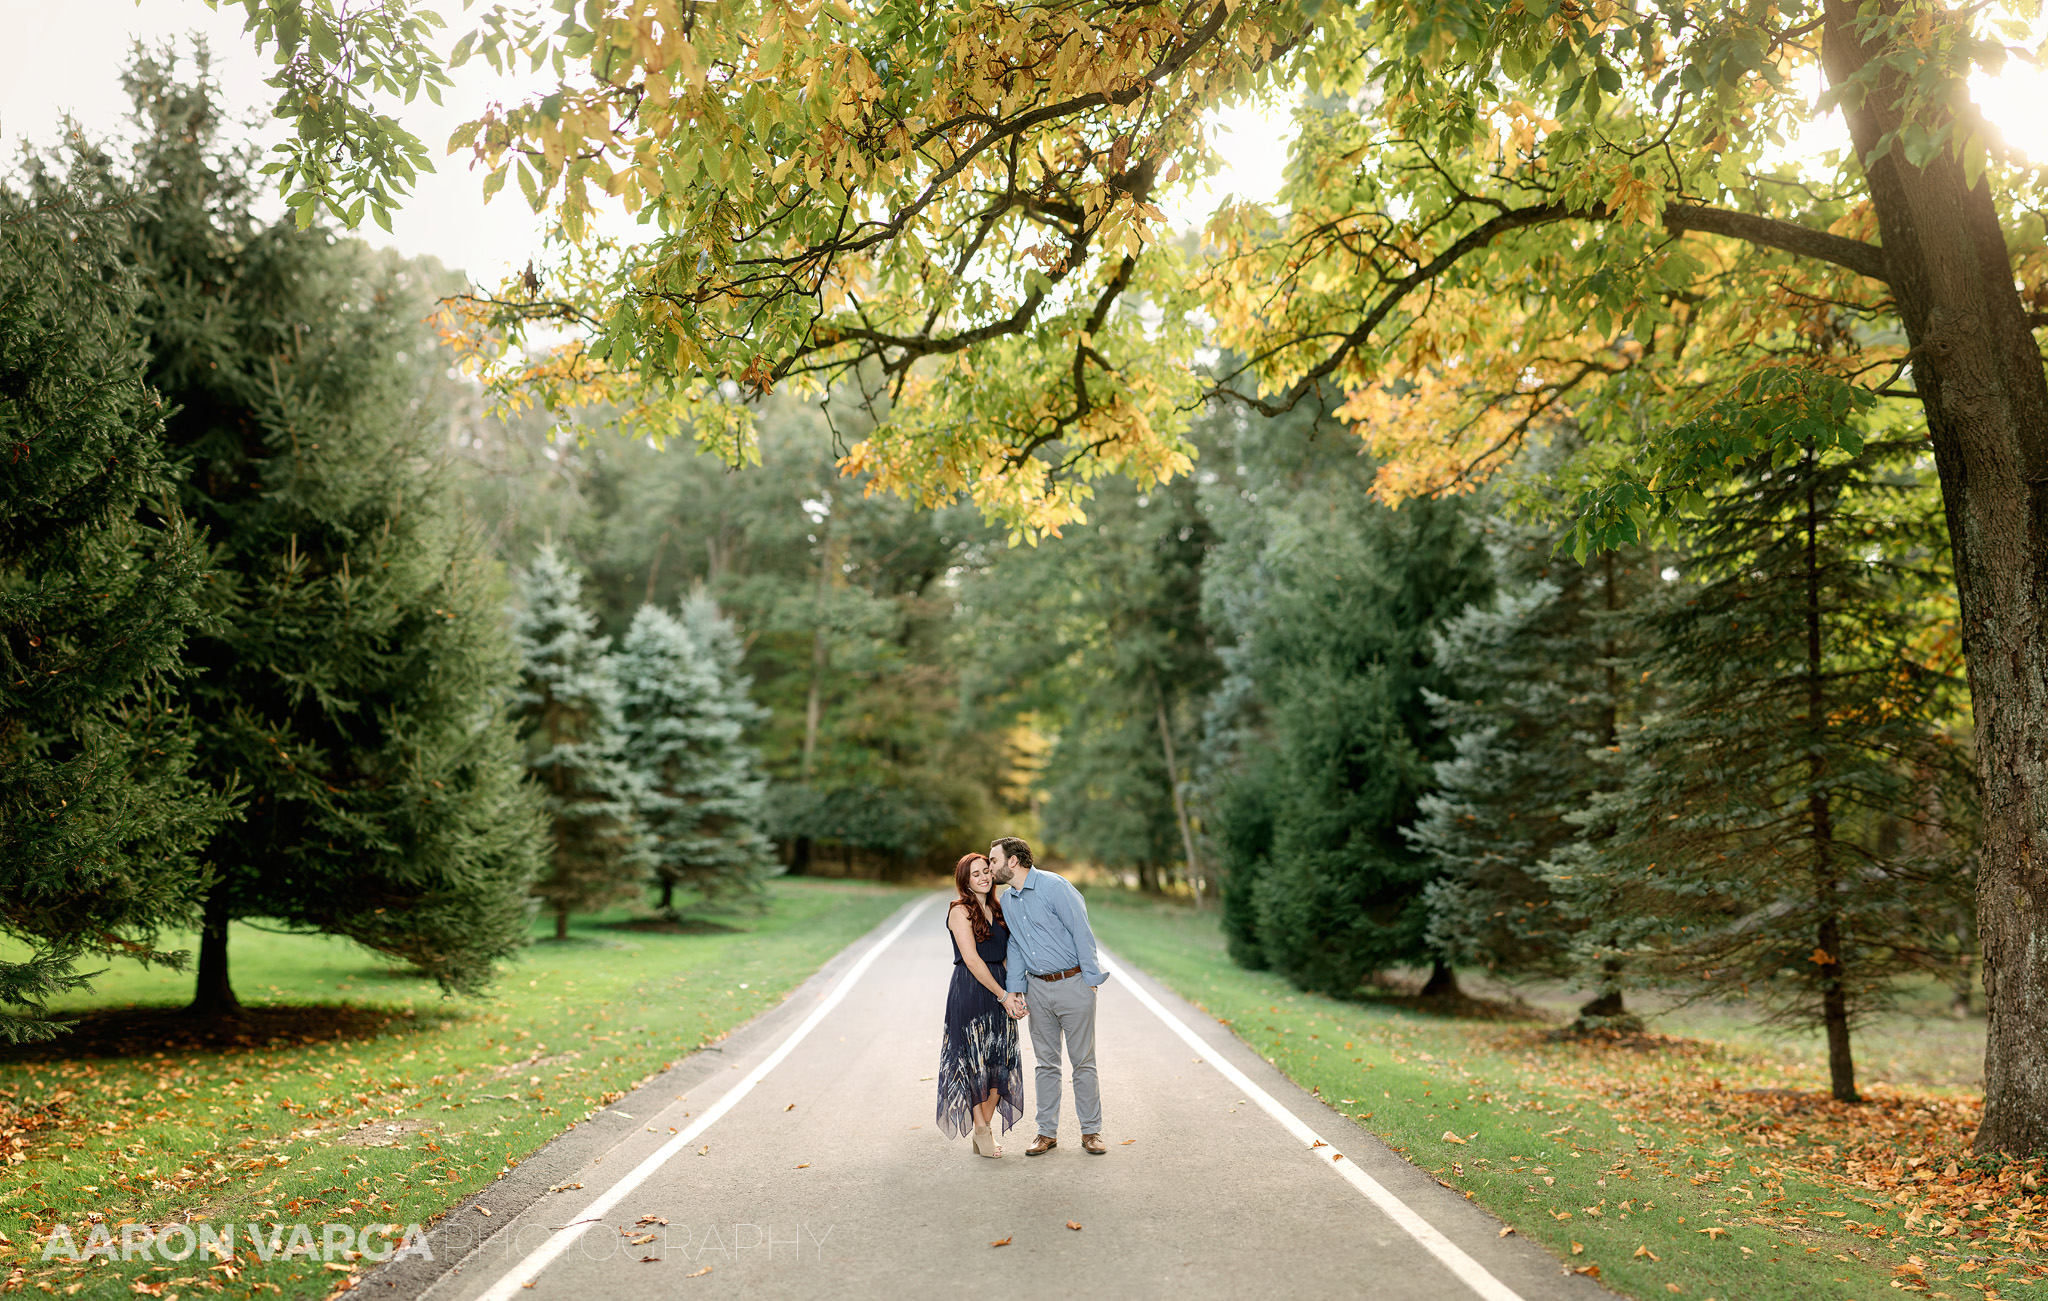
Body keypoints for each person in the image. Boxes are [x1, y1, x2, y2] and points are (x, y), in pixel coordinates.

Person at [988, 836, 1108, 1156]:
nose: (991, 867)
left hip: (1073, 984)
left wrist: (1090, 980)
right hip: (1037, 988)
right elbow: (1015, 946)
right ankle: (1046, 1133)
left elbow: (1081, 930)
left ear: (1013, 861)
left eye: (994, 860)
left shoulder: (1056, 887)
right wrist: (1017, 988)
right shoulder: (1008, 900)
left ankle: (1091, 1131)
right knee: (1046, 1064)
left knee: (1083, 1062)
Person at [936, 852, 1024, 1158]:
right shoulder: (959, 911)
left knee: (1001, 1060)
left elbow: (1006, 954)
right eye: (976, 874)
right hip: (972, 989)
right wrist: (1002, 994)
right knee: (975, 1062)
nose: (984, 877)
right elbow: (972, 959)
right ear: (965, 881)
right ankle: (983, 1130)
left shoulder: (999, 909)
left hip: (1001, 988)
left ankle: (981, 1127)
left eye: (986, 871)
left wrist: (1015, 993)